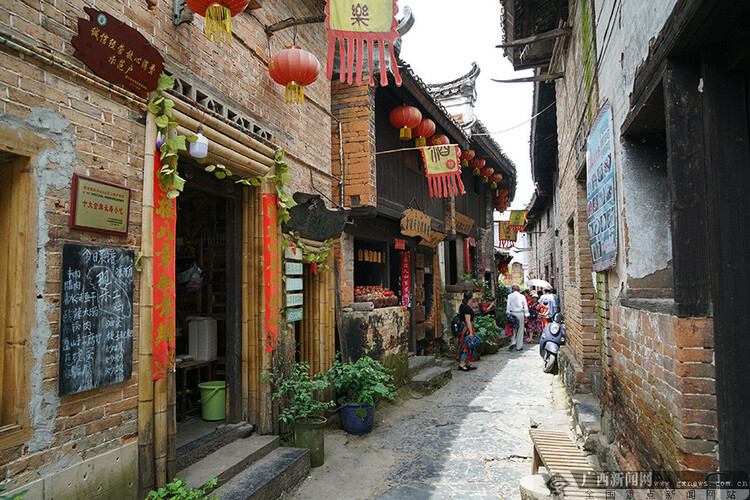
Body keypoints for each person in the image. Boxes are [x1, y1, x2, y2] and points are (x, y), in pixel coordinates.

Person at [456, 290, 478, 371]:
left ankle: (467, 363)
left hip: (464, 328)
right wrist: (471, 332)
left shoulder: (462, 305)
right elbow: (467, 321)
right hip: (466, 329)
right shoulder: (467, 308)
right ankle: (462, 364)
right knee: (465, 345)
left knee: (469, 345)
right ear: (471, 298)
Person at [506, 285, 529, 351]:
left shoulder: (510, 296)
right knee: (520, 330)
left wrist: (508, 313)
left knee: (513, 329)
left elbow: (508, 306)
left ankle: (513, 342)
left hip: (513, 313)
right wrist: (526, 315)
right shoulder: (522, 296)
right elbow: (525, 306)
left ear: (513, 289)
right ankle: (519, 346)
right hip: (520, 313)